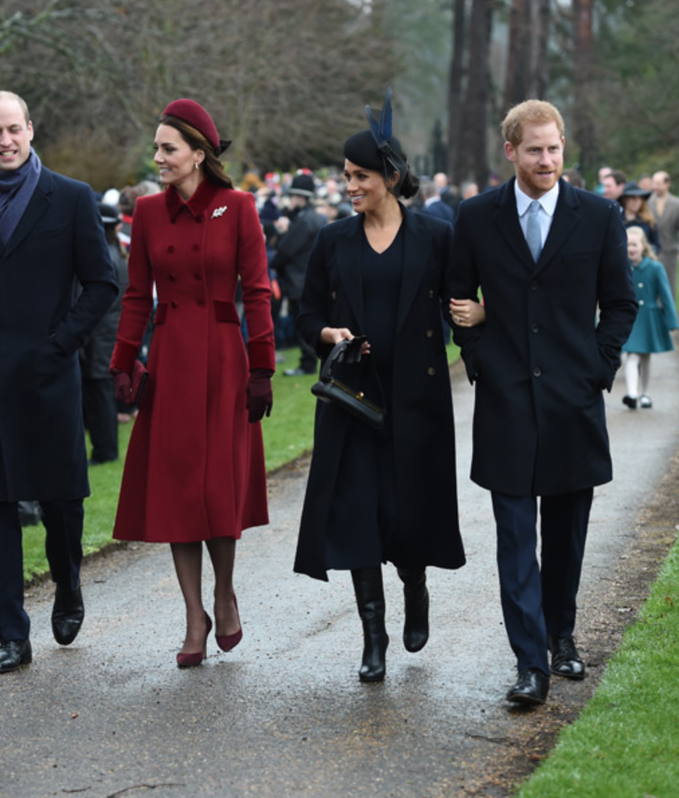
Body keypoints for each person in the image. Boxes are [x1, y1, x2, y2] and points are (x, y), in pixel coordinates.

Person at [447, 100, 637, 707]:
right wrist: (481, 360)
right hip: (505, 402)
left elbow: (622, 304)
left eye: (554, 149)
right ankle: (529, 662)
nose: (546, 160)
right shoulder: (476, 217)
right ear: (511, 151)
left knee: (565, 535)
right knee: (512, 537)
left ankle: (561, 635)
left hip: (571, 402)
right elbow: (457, 300)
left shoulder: (599, 216)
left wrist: (596, 371)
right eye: (534, 150)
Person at [0, 91, 118, 674]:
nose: (5, 141)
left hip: (50, 375)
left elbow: (101, 284)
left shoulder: (69, 197)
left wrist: (59, 342)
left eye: (13, 129)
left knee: (62, 501)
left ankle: (68, 586)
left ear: (30, 130)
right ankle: (11, 633)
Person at [293, 92, 467, 683]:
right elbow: (304, 313)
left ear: (391, 177)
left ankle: (414, 588)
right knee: (357, 515)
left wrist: (479, 325)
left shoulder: (435, 238)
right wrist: (326, 332)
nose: (349, 186)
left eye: (360, 176)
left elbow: (458, 303)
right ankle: (374, 637)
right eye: (345, 176)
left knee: (407, 513)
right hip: (353, 401)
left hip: (416, 402)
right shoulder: (332, 240)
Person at [109, 98, 274, 668]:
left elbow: (256, 291)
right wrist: (124, 362)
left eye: (167, 148)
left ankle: (224, 595)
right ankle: (192, 616)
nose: (157, 157)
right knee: (180, 488)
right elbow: (136, 295)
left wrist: (263, 369)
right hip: (173, 359)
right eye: (156, 147)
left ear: (198, 154)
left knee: (217, 488)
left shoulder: (240, 206)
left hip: (227, 361)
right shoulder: (149, 213)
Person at [81, 203, 129, 464]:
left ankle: (105, 450)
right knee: (102, 393)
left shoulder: (105, 257)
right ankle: (105, 448)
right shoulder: (117, 254)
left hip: (101, 334)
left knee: (100, 395)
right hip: (110, 332)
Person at [272, 173, 327, 377]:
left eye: (293, 196)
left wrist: (272, 261)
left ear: (301, 197)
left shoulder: (305, 220)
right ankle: (309, 362)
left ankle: (308, 364)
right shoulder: (311, 218)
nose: (290, 200)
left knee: (303, 324)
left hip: (299, 280)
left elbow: (286, 250)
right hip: (304, 278)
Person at [621, 226, 679, 409]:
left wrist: (671, 321)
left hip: (649, 318)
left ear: (643, 246)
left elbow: (666, 295)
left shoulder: (655, 268)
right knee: (631, 355)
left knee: (645, 357)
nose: (631, 248)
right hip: (629, 319)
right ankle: (632, 394)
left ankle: (644, 394)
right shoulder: (620, 267)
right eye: (628, 244)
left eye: (635, 244)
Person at [647, 171, 679, 297]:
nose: (654, 186)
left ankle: (669, 315)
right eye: (653, 183)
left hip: (669, 251)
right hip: (649, 251)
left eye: (658, 183)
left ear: (667, 184)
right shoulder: (646, 203)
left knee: (669, 285)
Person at [618, 181, 659, 251]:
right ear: (625, 199)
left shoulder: (648, 221)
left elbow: (656, 247)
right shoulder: (617, 220)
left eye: (639, 198)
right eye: (632, 197)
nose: (636, 201)